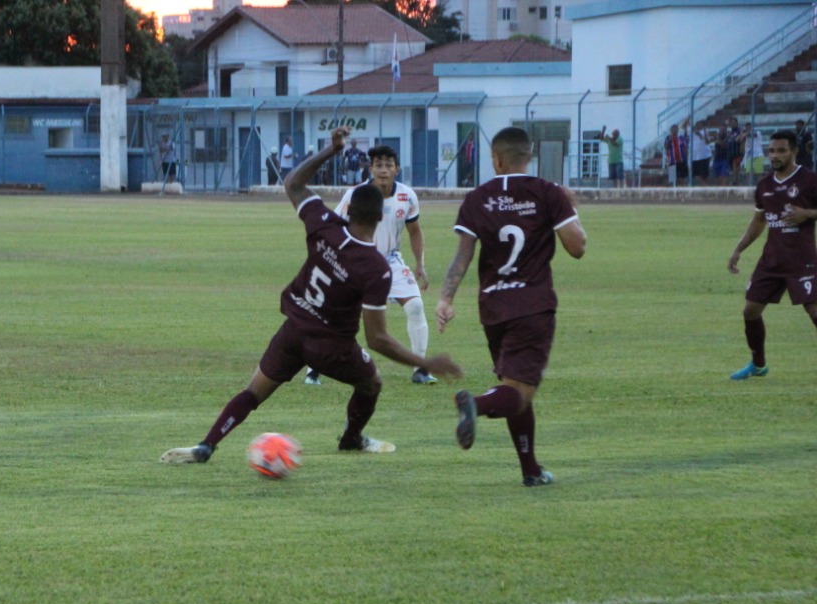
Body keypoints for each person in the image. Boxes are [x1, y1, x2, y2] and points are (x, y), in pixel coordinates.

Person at [160, 127, 462, 467]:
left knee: (253, 392)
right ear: (380, 218)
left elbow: (292, 183)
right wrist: (425, 362)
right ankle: (350, 440)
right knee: (371, 383)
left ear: (349, 212)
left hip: (293, 331)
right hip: (332, 346)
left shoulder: (325, 224)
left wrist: (330, 151)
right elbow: (377, 339)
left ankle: (207, 445)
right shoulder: (375, 267)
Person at [435, 126, 587, 487]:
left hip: (493, 308)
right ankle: (475, 402)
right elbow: (577, 247)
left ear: (496, 159)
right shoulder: (548, 193)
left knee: (516, 388)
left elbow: (463, 254)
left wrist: (445, 298)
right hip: (532, 304)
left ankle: (531, 470)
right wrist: (573, 209)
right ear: (528, 156)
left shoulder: (477, 198)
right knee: (516, 392)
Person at [309, 144, 436, 386]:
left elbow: (415, 231)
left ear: (397, 169)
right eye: (378, 165)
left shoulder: (407, 196)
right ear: (371, 168)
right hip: (356, 262)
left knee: (416, 306)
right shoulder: (355, 195)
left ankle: (420, 369)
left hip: (390, 261)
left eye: (388, 165)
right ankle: (313, 369)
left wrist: (420, 264)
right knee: (335, 314)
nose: (383, 170)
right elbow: (334, 227)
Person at [726, 129, 817, 380]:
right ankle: (758, 364)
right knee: (750, 312)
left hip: (802, 260)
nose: (775, 155)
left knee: (815, 313)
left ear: (794, 152)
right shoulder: (765, 185)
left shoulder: (810, 180)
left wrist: (807, 214)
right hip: (771, 261)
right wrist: (738, 250)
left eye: (781, 150)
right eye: (772, 151)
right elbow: (759, 220)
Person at [690, 121, 712, 186]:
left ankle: (704, 187)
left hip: (704, 156)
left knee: (704, 175)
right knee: (695, 174)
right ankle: (706, 186)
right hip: (695, 156)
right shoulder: (692, 133)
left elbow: (707, 142)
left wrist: (702, 134)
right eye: (697, 125)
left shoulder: (705, 132)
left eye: (700, 125)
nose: (699, 126)